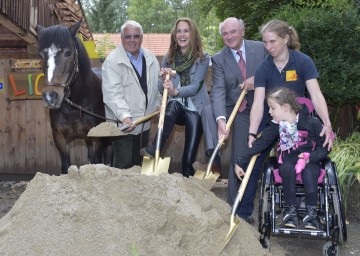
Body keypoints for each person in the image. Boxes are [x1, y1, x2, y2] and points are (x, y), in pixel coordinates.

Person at [193, 17, 267, 223]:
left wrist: (258, 80)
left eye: (233, 32)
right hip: (240, 111)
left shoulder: (261, 48)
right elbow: (217, 90)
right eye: (225, 34)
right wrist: (221, 119)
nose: (229, 37)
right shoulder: (219, 58)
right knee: (240, 157)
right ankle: (236, 211)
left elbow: (276, 68)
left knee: (258, 161)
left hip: (267, 109)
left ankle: (244, 207)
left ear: (243, 31)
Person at [235, 87, 330, 229]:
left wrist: (311, 157)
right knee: (286, 168)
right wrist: (240, 161)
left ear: (285, 107)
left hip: (310, 161)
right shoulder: (276, 126)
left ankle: (312, 213)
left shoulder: (312, 123)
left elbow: (325, 147)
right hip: (288, 161)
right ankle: (290, 210)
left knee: (310, 172)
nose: (269, 112)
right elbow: (261, 144)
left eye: (273, 108)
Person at [249, 19, 333, 153]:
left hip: (298, 121)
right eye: (265, 42)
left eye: (272, 41)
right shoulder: (262, 68)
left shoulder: (303, 61)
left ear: (286, 39)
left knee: (304, 161)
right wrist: (252, 133)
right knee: (254, 158)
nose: (268, 47)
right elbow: (258, 103)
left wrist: (327, 124)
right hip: (271, 121)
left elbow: (316, 95)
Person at [140, 18, 210, 177]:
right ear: (175, 34)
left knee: (188, 160)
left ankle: (187, 180)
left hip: (194, 109)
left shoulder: (202, 58)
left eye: (186, 31)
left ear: (192, 34)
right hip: (176, 108)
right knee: (172, 106)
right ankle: (155, 147)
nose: (182, 34)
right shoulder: (169, 57)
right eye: (179, 31)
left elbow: (195, 86)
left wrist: (175, 91)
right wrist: (162, 79)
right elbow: (161, 89)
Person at [101, 20, 161, 169]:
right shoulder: (112, 62)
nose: (132, 40)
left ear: (142, 37)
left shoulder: (151, 58)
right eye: (128, 36)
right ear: (121, 38)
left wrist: (159, 104)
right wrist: (124, 116)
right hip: (123, 124)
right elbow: (112, 93)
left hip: (144, 123)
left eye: (136, 36)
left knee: (137, 165)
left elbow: (156, 85)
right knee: (124, 165)